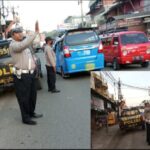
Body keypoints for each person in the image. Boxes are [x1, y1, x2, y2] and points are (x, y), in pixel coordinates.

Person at [9, 21, 43, 125]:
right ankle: (26, 118)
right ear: (13, 35)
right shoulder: (13, 45)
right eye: (17, 33)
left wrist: (35, 69)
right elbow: (23, 45)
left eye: (21, 32)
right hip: (21, 76)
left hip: (31, 74)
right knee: (24, 97)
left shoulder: (25, 44)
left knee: (32, 95)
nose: (20, 34)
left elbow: (32, 51)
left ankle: (31, 112)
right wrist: (34, 33)